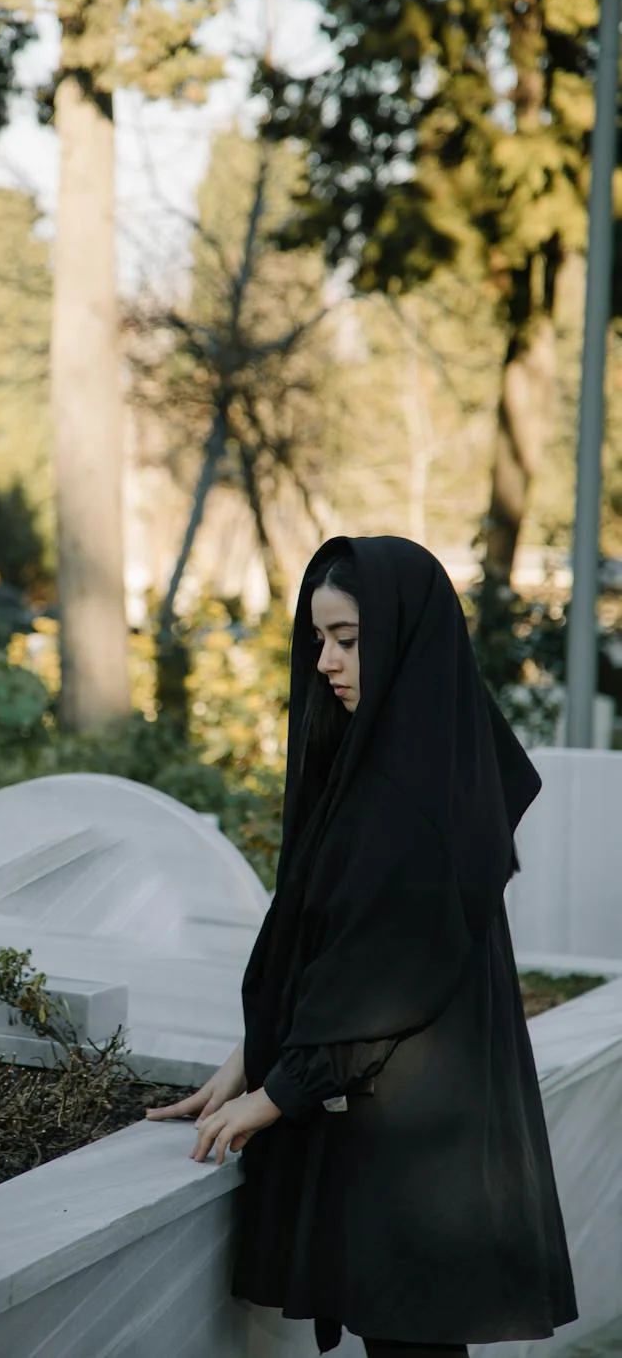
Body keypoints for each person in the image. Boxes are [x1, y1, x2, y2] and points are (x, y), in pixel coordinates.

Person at [147, 536, 577, 1357]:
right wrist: (252, 1056)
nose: (326, 663)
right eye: (319, 641)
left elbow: (385, 978)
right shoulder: (418, 755)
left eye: (349, 639)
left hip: (417, 1144)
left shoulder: (408, 795)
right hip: (418, 1119)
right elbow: (346, 940)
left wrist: (272, 1096)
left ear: (405, 639)